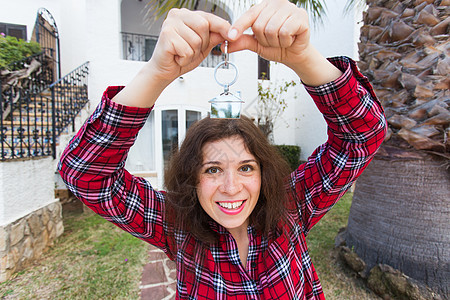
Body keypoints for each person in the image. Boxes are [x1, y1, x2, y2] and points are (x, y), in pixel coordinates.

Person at [58, 0, 387, 298]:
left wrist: (303, 58)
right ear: (192, 178)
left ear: (263, 173)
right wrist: (157, 73)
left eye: (246, 167)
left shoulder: (293, 205)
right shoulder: (176, 224)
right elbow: (86, 174)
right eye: (212, 169)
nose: (231, 188)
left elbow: (363, 134)